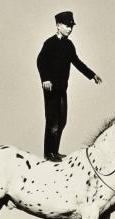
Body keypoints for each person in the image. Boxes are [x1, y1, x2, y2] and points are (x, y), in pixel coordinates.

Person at [37, 11, 102, 162]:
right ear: (58, 26)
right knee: (52, 121)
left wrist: (91, 75)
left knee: (62, 120)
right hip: (51, 89)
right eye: (67, 26)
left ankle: (55, 151)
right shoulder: (50, 43)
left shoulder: (68, 45)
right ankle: (49, 153)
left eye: (71, 26)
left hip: (62, 89)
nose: (70, 29)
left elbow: (77, 62)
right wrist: (45, 79)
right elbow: (40, 61)